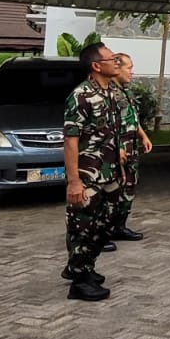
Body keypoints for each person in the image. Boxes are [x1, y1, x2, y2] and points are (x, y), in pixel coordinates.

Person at [61, 42, 126, 302]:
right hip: (88, 175)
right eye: (112, 59)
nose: (117, 62)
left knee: (106, 222)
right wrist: (74, 181)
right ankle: (79, 280)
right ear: (96, 66)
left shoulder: (111, 93)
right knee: (83, 227)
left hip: (110, 172)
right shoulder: (81, 96)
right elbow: (70, 140)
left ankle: (84, 265)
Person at [106, 52, 152, 244]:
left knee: (128, 187)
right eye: (129, 68)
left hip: (131, 144)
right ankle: (103, 231)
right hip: (118, 146)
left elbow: (131, 117)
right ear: (117, 68)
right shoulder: (109, 93)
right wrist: (117, 147)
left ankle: (119, 227)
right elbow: (108, 125)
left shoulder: (124, 91)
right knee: (112, 189)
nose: (131, 72)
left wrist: (143, 136)